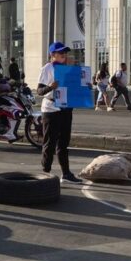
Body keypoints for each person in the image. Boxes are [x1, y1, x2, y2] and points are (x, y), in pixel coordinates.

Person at [36, 42, 83, 184]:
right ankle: (45, 173)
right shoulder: (47, 68)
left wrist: (84, 86)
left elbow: (74, 88)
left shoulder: (69, 69)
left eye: (65, 52)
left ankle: (66, 173)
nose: (64, 54)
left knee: (63, 143)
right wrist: (51, 87)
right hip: (51, 109)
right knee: (49, 143)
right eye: (60, 52)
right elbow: (39, 91)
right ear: (53, 55)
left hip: (66, 108)